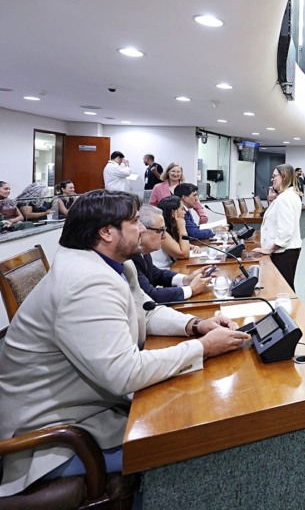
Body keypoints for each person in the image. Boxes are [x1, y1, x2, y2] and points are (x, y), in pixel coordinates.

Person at [0, 189, 249, 497]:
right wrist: (203, 347)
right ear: (106, 232)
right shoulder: (85, 283)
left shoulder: (115, 264)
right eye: (134, 222)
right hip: (53, 439)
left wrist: (194, 325)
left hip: (91, 410)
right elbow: (124, 373)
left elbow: (146, 311)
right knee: (192, 444)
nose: (142, 228)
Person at [134, 205, 212, 303]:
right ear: (141, 230)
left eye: (164, 230)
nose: (164, 236)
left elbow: (156, 274)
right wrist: (191, 290)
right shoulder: (130, 258)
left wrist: (186, 279)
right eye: (160, 231)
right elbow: (151, 295)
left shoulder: (143, 252)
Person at [253, 164, 303, 288]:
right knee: (286, 287)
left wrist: (269, 249)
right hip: (290, 250)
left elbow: (285, 231)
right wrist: (272, 199)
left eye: (274, 176)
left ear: (284, 177)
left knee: (283, 289)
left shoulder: (284, 199)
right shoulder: (290, 195)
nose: (272, 179)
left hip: (283, 252)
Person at [152, 195, 191, 269]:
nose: (184, 212)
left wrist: (191, 246)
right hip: (162, 271)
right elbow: (184, 254)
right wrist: (182, 227)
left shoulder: (172, 227)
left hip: (172, 267)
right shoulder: (162, 232)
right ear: (173, 213)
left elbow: (178, 245)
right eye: (182, 209)